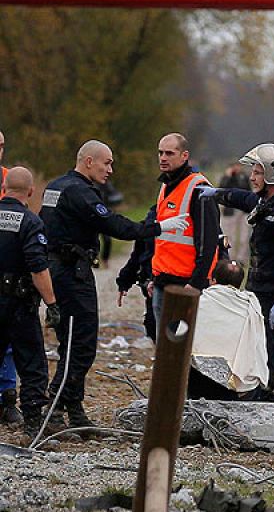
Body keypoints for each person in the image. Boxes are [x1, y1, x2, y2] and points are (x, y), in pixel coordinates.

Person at [41, 140, 186, 429]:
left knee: (73, 343)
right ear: (89, 161)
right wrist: (160, 227)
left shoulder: (56, 186)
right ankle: (55, 408)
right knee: (79, 345)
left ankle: (74, 409)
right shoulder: (80, 192)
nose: (111, 169)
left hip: (61, 270)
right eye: (106, 163)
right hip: (71, 273)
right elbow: (116, 226)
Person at [200, 143, 274, 403]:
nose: (252, 178)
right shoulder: (265, 203)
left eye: (257, 173)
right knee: (260, 348)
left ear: (271, 175)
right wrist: (216, 193)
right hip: (259, 291)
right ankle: (267, 399)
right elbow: (242, 198)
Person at [0, 167, 57, 432]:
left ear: (4, 189)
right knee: (32, 363)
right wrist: (52, 303)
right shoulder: (31, 222)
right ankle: (33, 423)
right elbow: (38, 268)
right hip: (20, 304)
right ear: (31, 191)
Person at [148, 134, 220, 324]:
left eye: (170, 153)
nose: (163, 158)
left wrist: (196, 284)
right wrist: (153, 277)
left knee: (181, 346)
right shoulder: (165, 185)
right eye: (161, 153)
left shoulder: (199, 189)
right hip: (163, 281)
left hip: (186, 284)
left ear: (184, 155)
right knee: (164, 345)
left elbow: (209, 243)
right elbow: (161, 238)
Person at [187, 260, 269, 400]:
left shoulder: (198, 304)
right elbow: (258, 348)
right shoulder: (251, 306)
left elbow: (179, 341)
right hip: (238, 385)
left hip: (201, 382)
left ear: (213, 280)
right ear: (239, 283)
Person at [115, 203, 158, 341]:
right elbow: (137, 256)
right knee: (153, 326)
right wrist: (124, 281)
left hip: (182, 285)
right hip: (153, 285)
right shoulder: (152, 219)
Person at [0, 129, 17, 426]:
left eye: (1, 145)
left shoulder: (9, 179)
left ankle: (7, 397)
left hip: (7, 272)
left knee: (10, 337)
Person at [217, 161, 249, 261]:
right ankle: (229, 257)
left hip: (242, 209)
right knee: (229, 235)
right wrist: (228, 176)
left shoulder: (243, 177)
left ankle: (241, 258)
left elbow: (247, 190)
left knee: (244, 236)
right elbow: (221, 188)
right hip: (229, 210)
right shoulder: (226, 177)